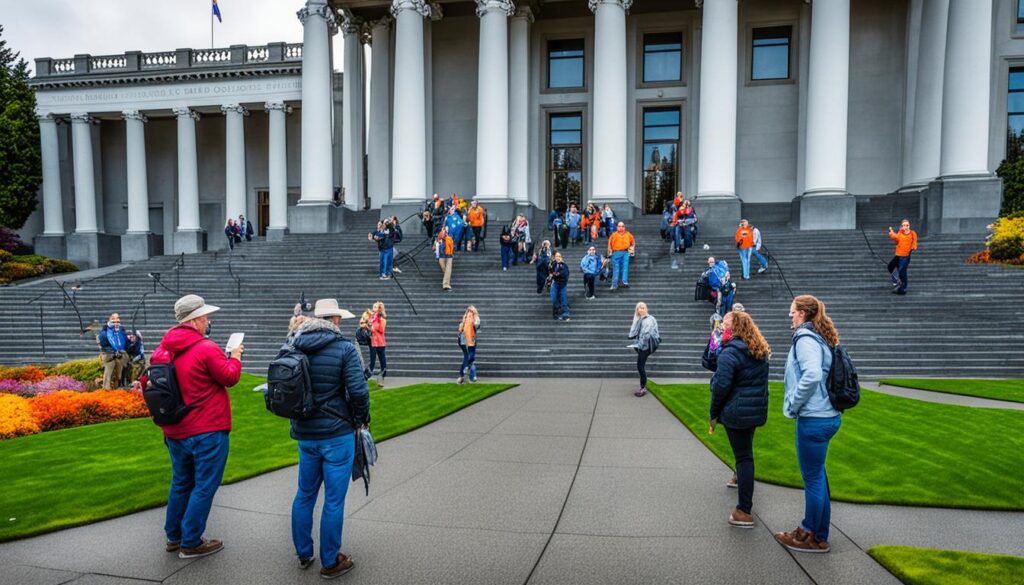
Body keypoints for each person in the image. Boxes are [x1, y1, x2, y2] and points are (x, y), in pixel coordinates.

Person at [147, 294, 243, 559]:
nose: (208, 321)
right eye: (205, 317)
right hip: (207, 429)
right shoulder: (205, 347)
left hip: (175, 429)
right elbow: (229, 377)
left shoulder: (162, 350)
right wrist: (234, 356)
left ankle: (174, 536)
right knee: (204, 486)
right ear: (196, 319)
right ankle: (191, 541)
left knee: (181, 482)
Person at [287, 298, 369, 578]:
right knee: (334, 500)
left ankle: (303, 552)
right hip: (337, 433)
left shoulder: (294, 343)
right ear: (335, 320)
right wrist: (360, 419)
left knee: (305, 494)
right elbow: (358, 392)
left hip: (305, 433)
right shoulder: (344, 348)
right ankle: (331, 560)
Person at [774, 295, 842, 554]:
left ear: (802, 313)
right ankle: (820, 535)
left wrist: (793, 403)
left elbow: (812, 374)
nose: (790, 316)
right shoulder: (820, 337)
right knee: (819, 477)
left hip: (814, 418)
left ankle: (807, 533)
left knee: (813, 478)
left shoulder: (805, 339)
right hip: (828, 416)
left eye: (792, 312)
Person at [709, 311, 770, 529]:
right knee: (745, 455)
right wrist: (713, 343)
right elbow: (710, 363)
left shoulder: (731, 352)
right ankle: (740, 483)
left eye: (725, 325)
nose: (721, 328)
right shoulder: (758, 349)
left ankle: (744, 511)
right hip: (753, 410)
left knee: (744, 458)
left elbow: (720, 387)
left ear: (734, 328)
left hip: (737, 411)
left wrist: (713, 414)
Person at [627, 302, 659, 397]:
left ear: (646, 309)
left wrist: (639, 345)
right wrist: (635, 318)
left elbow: (646, 334)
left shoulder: (649, 319)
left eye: (643, 308)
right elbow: (632, 333)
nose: (641, 309)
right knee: (640, 366)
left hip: (647, 345)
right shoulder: (640, 319)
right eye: (638, 308)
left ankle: (643, 388)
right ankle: (643, 386)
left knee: (640, 366)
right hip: (641, 345)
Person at [97, 313, 128, 389]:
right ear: (110, 321)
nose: (116, 324)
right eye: (114, 322)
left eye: (117, 322)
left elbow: (124, 340)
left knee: (119, 373)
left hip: (119, 354)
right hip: (109, 354)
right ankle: (106, 389)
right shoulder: (105, 332)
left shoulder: (121, 330)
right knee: (108, 374)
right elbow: (104, 343)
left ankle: (118, 387)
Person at [888, 219, 918, 295]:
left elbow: (914, 242)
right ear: (902, 226)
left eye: (907, 225)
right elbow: (896, 238)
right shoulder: (900, 232)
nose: (906, 227)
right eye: (904, 225)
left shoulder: (912, 233)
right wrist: (891, 232)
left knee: (902, 271)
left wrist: (913, 247)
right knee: (890, 266)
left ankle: (903, 288)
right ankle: (896, 280)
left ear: (909, 226)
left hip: (905, 256)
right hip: (898, 254)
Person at [607, 222, 636, 290]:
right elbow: (609, 245)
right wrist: (609, 253)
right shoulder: (613, 235)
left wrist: (631, 250)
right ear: (617, 227)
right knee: (616, 269)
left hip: (625, 253)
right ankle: (614, 284)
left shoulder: (628, 234)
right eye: (619, 226)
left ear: (624, 227)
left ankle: (624, 282)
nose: (621, 228)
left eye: (623, 226)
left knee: (625, 268)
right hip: (616, 253)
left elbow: (633, 242)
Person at [457, 305, 480, 384]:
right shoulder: (473, 316)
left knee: (467, 357)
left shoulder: (465, 316)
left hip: (463, 339)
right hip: (469, 340)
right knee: (470, 357)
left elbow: (460, 328)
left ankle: (463, 377)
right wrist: (476, 313)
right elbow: (477, 324)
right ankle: (468, 374)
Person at [367, 301, 387, 386]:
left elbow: (382, 330)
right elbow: (369, 328)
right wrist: (368, 325)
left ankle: (382, 377)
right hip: (373, 342)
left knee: (382, 361)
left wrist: (373, 326)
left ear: (379, 309)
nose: (373, 309)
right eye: (373, 307)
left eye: (375, 307)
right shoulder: (371, 317)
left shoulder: (382, 319)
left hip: (380, 343)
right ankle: (367, 377)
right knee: (372, 361)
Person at [549, 251, 571, 321]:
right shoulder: (552, 265)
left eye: (559, 256)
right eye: (557, 256)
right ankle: (556, 313)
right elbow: (550, 273)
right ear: (554, 258)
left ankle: (566, 314)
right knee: (554, 298)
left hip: (562, 284)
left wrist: (556, 274)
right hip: (554, 284)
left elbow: (565, 274)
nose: (558, 258)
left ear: (561, 258)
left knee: (564, 299)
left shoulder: (564, 265)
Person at [434, 226, 454, 291]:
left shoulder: (450, 236)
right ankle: (447, 278)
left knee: (448, 268)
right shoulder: (439, 237)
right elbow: (435, 243)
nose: (445, 230)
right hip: (441, 254)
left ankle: (446, 284)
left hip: (449, 254)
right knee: (443, 268)